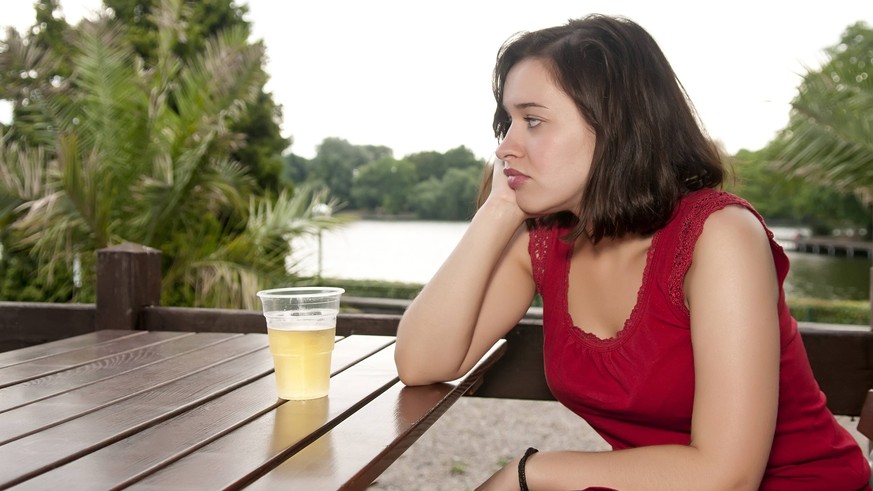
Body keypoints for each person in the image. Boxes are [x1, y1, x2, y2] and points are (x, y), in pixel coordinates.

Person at [394, 14, 871, 491]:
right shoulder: (542, 242)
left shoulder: (720, 235)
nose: (504, 148)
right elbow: (422, 363)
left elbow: (727, 476)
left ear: (615, 125)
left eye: (532, 120)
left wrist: (530, 472)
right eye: (508, 122)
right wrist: (497, 211)